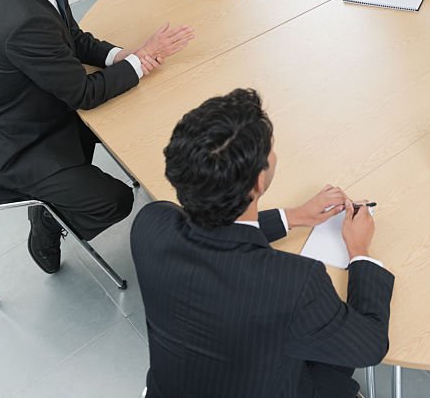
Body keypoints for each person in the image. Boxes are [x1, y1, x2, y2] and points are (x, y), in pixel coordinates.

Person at [0, 0, 194, 274]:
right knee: (115, 201)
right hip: (13, 145)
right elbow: (83, 95)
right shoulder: (22, 22)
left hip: (40, 106)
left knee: (135, 121)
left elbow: (71, 35)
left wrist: (122, 56)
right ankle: (47, 222)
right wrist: (144, 59)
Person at [131, 89, 394, 398]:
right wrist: (360, 252)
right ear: (259, 181)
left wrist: (293, 217)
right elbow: (369, 348)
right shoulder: (294, 283)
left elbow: (203, 226)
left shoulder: (150, 224)